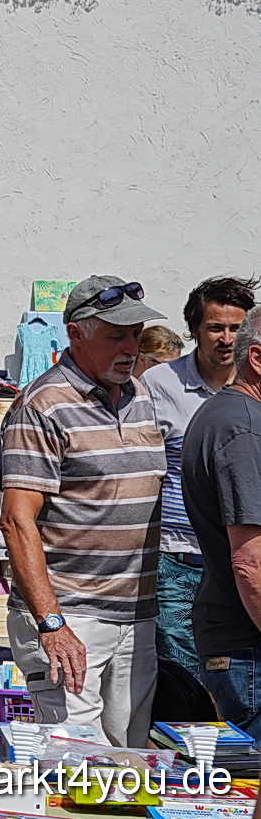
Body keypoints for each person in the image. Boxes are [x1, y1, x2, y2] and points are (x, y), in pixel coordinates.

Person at [1, 275, 166, 746]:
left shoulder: (143, 397)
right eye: (116, 335)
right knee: (75, 760)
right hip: (70, 614)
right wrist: (51, 623)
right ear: (75, 333)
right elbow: (16, 521)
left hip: (136, 612)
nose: (130, 346)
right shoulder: (41, 405)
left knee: (129, 755)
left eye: (135, 333)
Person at [142, 277, 259, 675]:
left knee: (234, 674)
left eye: (235, 328)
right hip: (178, 556)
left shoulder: (254, 390)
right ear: (194, 331)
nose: (226, 338)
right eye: (214, 327)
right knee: (186, 680)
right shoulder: (159, 386)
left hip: (237, 561)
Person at [182, 305, 261, 734]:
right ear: (258, 359)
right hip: (248, 648)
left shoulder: (237, 416)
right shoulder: (242, 429)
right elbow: (251, 562)